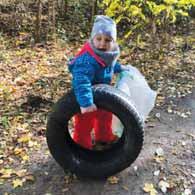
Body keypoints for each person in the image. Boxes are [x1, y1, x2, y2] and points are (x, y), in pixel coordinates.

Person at [68, 15, 126, 149]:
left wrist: (119, 68)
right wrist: (86, 102)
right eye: (98, 39)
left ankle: (104, 139)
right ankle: (82, 149)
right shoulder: (86, 60)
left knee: (105, 118)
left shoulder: (108, 55)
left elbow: (109, 66)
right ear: (92, 39)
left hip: (103, 95)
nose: (102, 44)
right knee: (84, 124)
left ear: (113, 42)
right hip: (86, 97)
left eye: (108, 40)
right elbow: (81, 81)